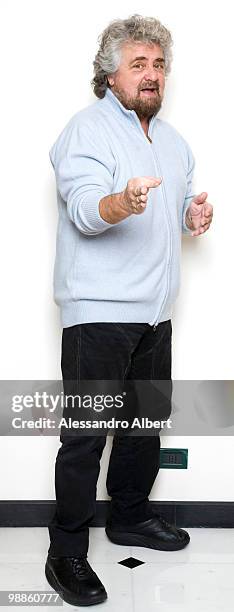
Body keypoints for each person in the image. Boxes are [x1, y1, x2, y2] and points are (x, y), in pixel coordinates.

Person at [45, 14, 213, 607]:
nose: (152, 74)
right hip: (98, 314)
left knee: (143, 426)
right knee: (86, 436)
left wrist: (191, 218)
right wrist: (123, 200)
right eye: (138, 63)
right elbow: (87, 209)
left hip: (154, 315)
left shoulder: (172, 142)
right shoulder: (85, 130)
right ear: (110, 75)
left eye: (159, 64)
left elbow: (182, 207)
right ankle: (65, 551)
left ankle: (131, 516)